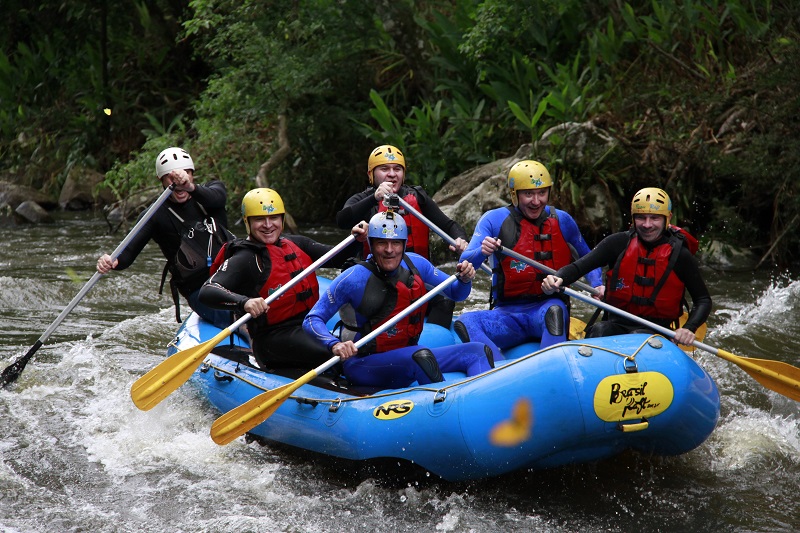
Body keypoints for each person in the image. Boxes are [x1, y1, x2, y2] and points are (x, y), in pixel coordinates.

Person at [302, 211, 495, 389]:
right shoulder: (353, 278)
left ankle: (486, 406)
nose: (389, 250)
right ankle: (447, 409)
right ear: (371, 243)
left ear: (403, 244)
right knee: (420, 357)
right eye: (381, 243)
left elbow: (456, 293)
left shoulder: (416, 264)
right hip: (363, 363)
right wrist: (334, 344)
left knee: (477, 351)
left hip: (409, 354)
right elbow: (312, 319)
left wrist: (465, 279)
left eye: (396, 243)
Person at [199, 188, 362, 370]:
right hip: (273, 338)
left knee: (357, 346)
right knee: (337, 354)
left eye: (274, 218)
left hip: (310, 326)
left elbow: (338, 257)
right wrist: (244, 302)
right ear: (248, 222)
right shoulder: (245, 258)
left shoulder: (296, 243)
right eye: (260, 219)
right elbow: (207, 291)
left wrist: (357, 239)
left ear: (282, 219)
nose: (268, 225)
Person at [455, 160, 603, 358]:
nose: (536, 201)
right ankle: (498, 372)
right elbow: (465, 261)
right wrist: (482, 251)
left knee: (554, 311)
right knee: (466, 322)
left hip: (546, 311)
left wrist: (598, 284)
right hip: (508, 316)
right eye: (528, 194)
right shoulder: (494, 220)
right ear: (514, 195)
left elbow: (589, 259)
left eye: (542, 193)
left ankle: (551, 366)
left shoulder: (563, 221)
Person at [541, 187, 711, 346]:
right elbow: (578, 268)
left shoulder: (679, 255)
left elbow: (703, 300)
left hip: (657, 333)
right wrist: (558, 277)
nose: (647, 224)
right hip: (616, 324)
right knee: (599, 330)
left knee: (639, 336)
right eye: (641, 217)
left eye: (654, 218)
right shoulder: (618, 243)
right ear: (632, 218)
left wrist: (689, 328)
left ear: (667, 219)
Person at [97, 146, 234, 327]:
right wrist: (111, 261)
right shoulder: (153, 215)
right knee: (243, 318)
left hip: (233, 275)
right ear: (161, 180)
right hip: (200, 289)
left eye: (185, 173)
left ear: (192, 174)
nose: (178, 181)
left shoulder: (212, 192)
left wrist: (189, 187)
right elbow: (127, 255)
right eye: (171, 176)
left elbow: (218, 199)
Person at [335, 144, 469, 328]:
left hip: (415, 276)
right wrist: (374, 198)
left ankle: (435, 341)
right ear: (371, 175)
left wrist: (460, 238)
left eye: (397, 169)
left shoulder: (417, 196)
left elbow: (448, 225)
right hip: (378, 279)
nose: (392, 174)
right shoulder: (364, 200)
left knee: (444, 301)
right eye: (384, 169)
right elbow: (342, 220)